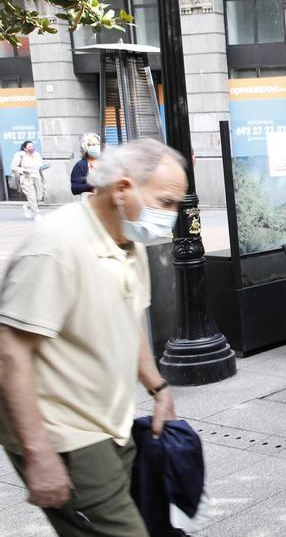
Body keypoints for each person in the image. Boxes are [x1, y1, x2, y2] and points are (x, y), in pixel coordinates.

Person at [0, 138, 184, 536]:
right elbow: (10, 352)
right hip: (66, 435)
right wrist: (38, 454)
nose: (171, 215)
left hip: (112, 424)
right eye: (166, 202)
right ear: (121, 190)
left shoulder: (128, 241)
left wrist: (158, 386)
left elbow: (128, 319)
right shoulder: (56, 246)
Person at [10, 140, 45, 220]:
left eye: (32, 146)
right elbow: (13, 167)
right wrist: (24, 170)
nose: (31, 148)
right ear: (25, 148)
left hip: (37, 177)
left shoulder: (36, 154)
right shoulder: (20, 155)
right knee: (32, 196)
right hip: (26, 178)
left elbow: (41, 164)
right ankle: (37, 214)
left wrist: (44, 166)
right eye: (29, 146)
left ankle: (27, 206)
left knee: (39, 197)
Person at [69, 133, 102, 200]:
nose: (94, 146)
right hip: (89, 203)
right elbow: (74, 188)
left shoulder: (106, 163)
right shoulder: (80, 165)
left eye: (96, 144)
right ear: (85, 147)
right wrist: (92, 186)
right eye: (90, 145)